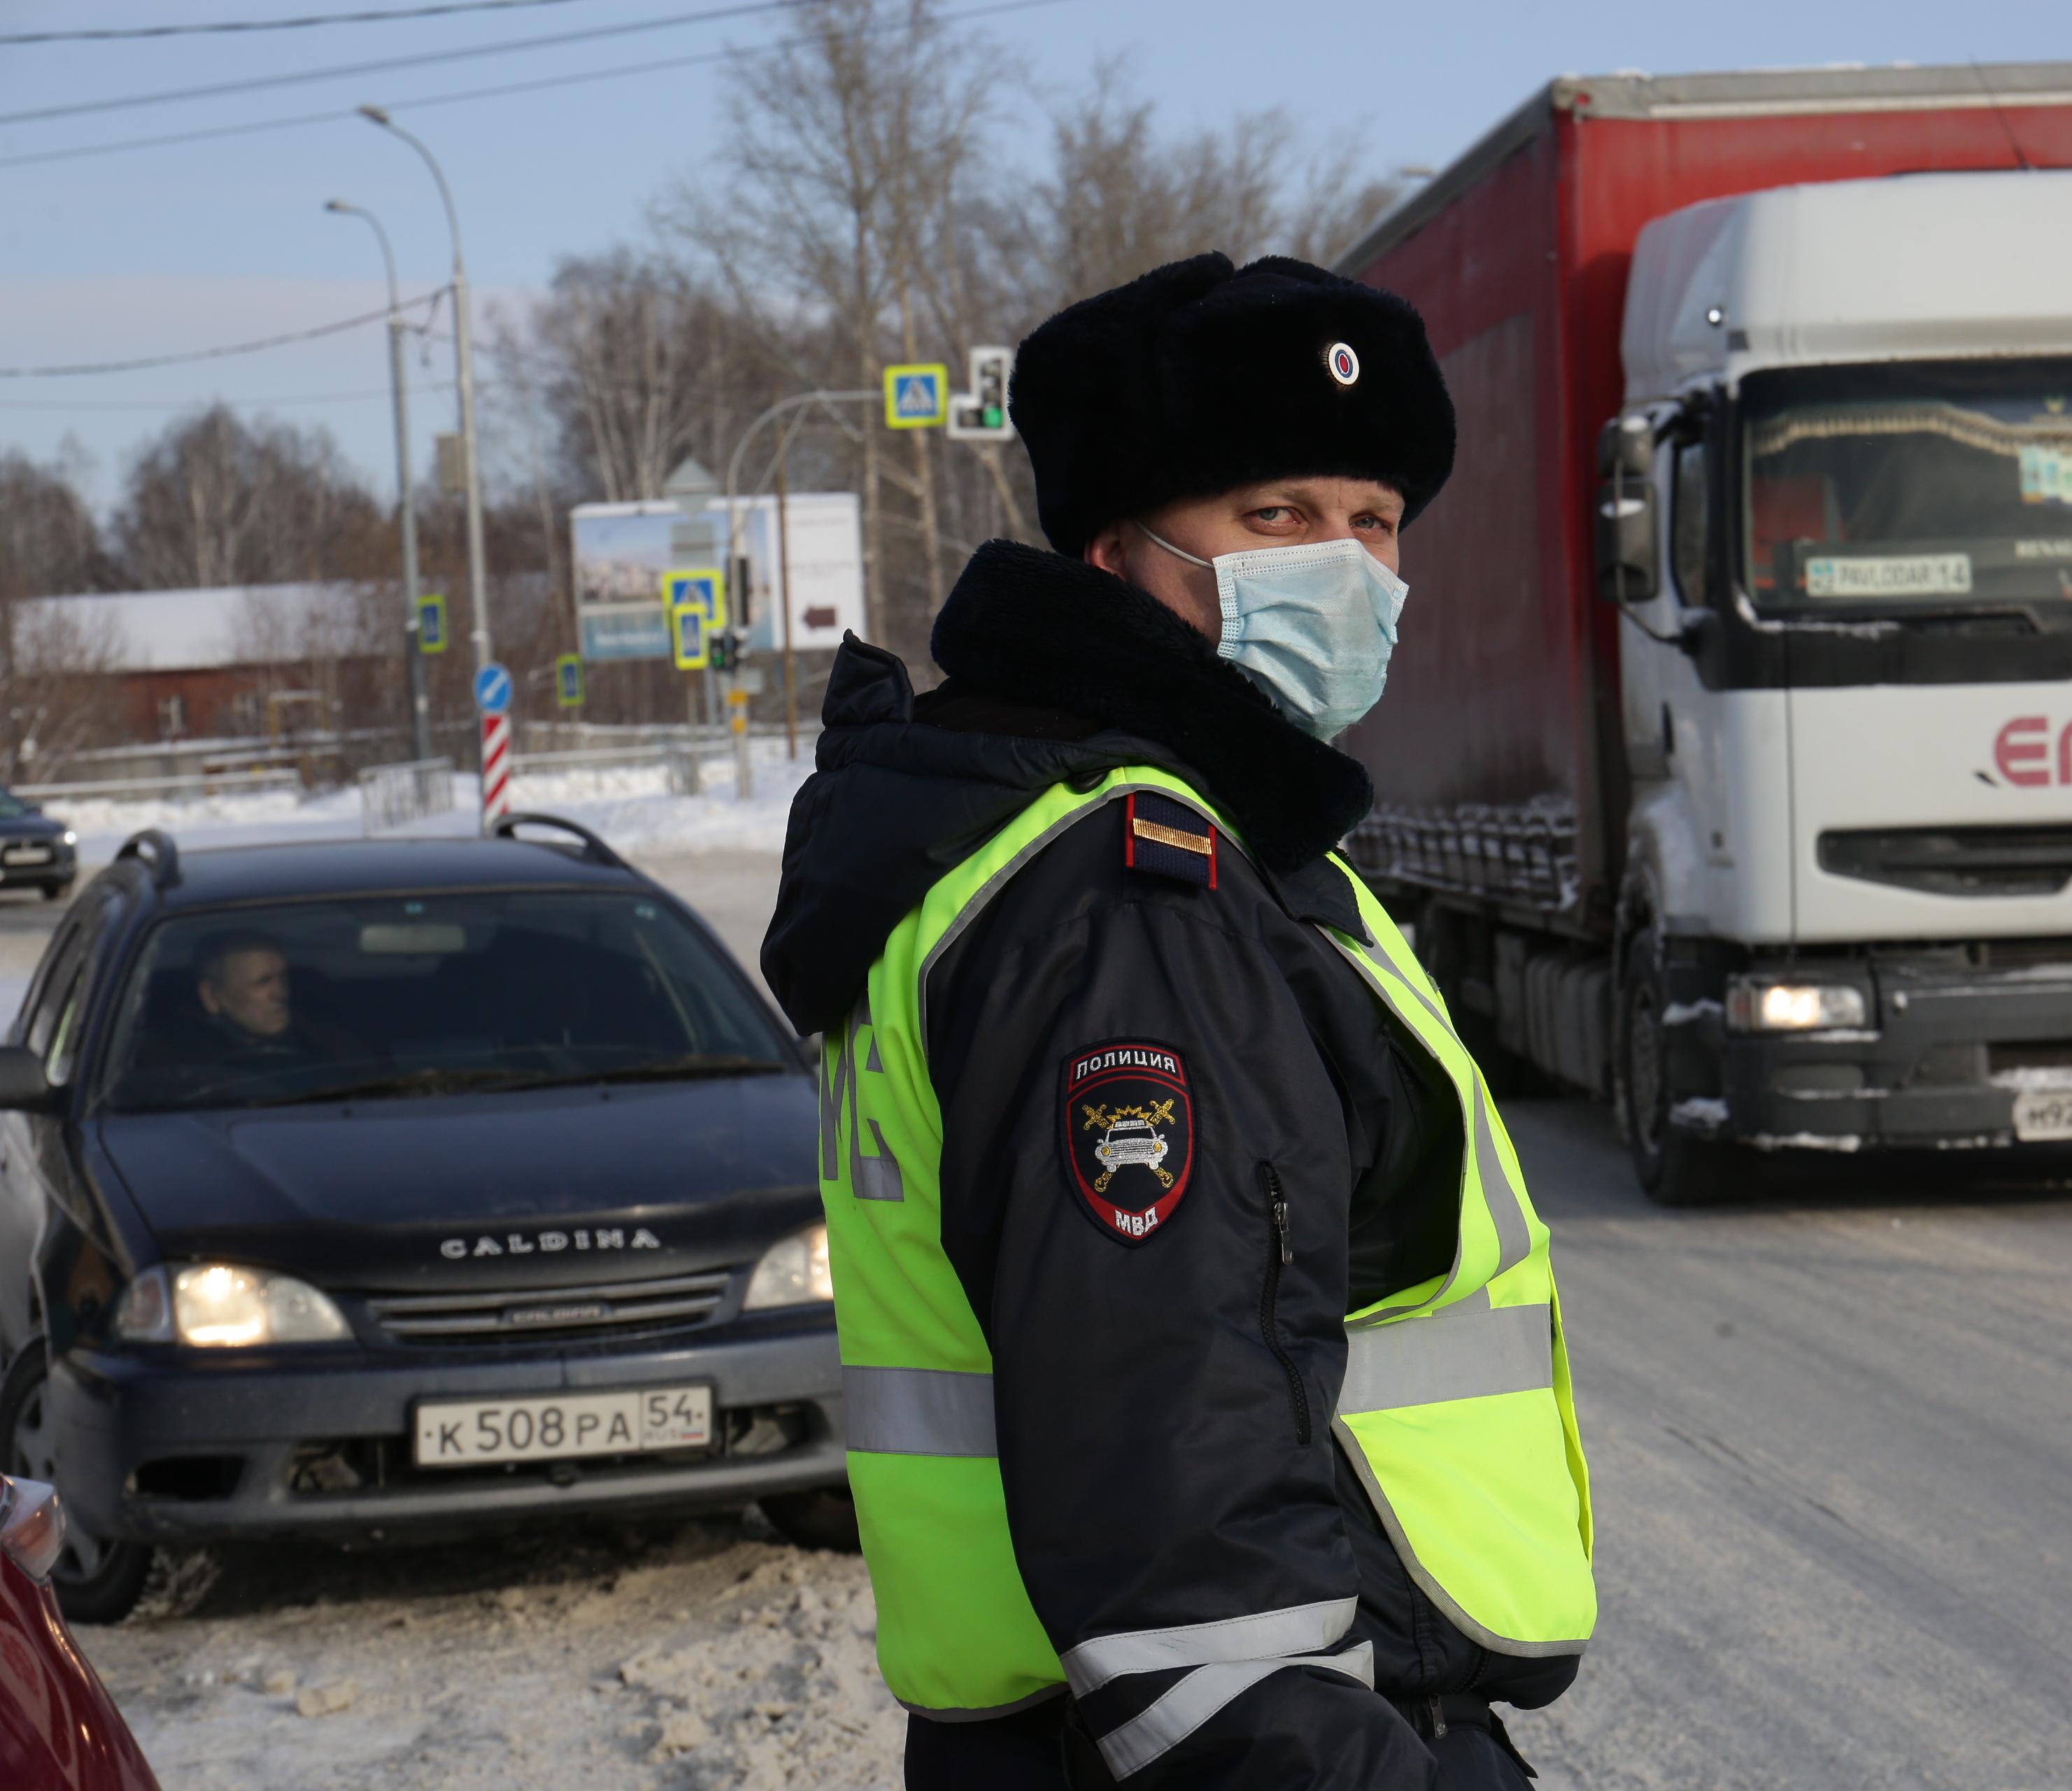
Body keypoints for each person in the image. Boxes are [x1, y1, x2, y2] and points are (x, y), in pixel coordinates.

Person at [763, 253, 1596, 1790]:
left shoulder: (1109, 842)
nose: (1340, 567)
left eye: (1371, 520)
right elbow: (1172, 1471)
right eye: (1270, 518)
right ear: (1114, 554)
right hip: (1240, 1741)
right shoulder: (1129, 896)